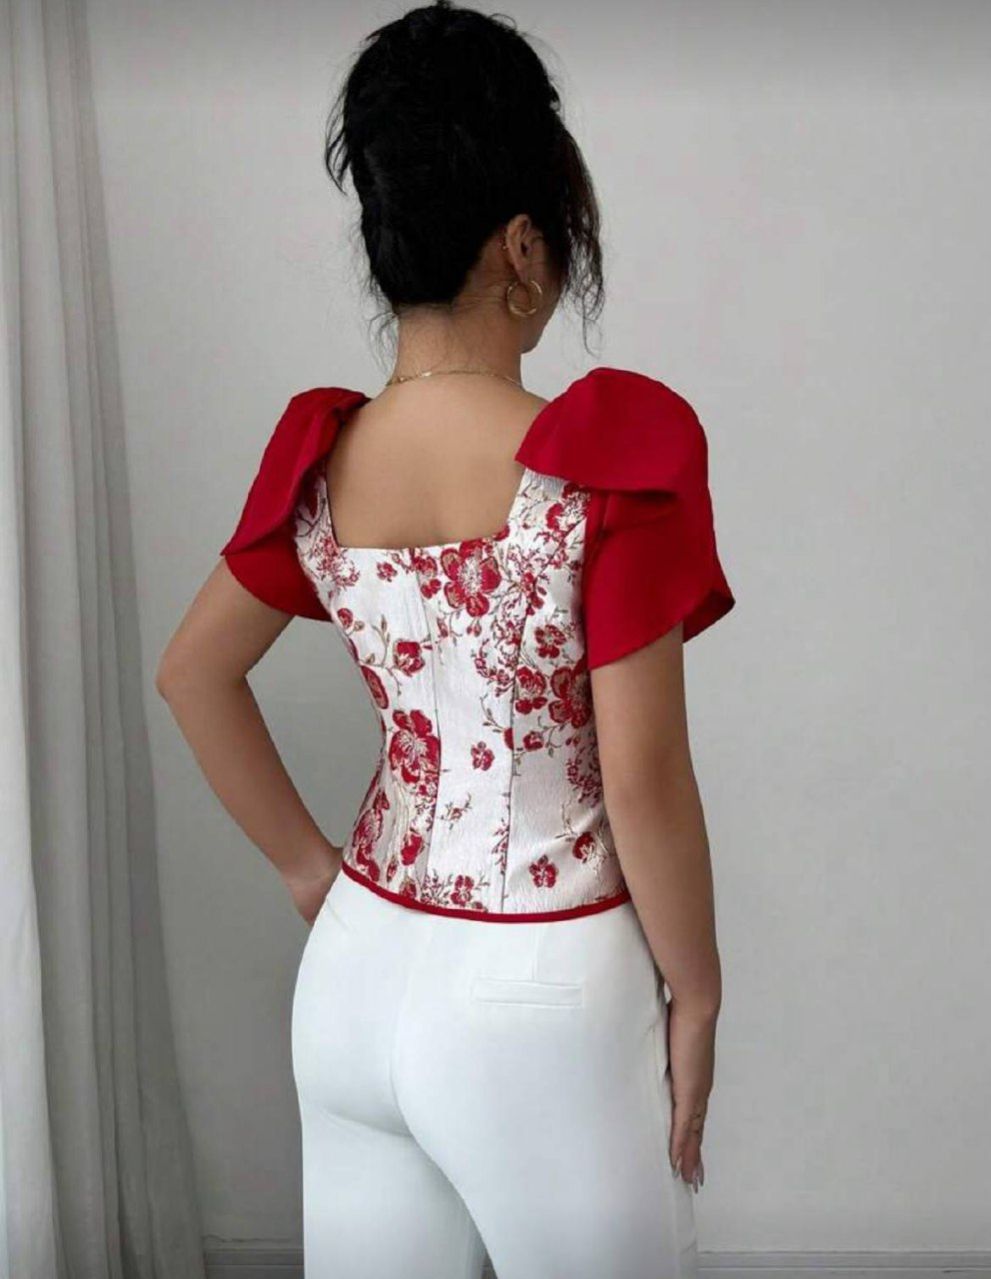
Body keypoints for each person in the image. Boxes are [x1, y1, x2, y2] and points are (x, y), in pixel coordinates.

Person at [156, 3, 736, 1276]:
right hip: (540, 990)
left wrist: (310, 873)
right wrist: (696, 990)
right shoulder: (600, 463)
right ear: (523, 241)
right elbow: (641, 775)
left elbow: (192, 672)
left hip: (354, 974)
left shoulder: (326, 460)